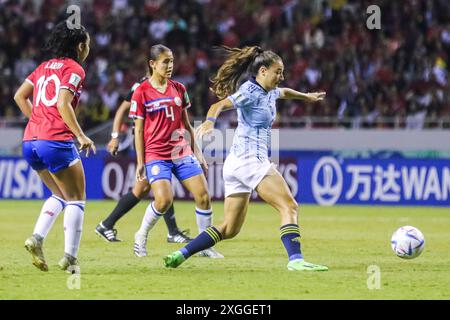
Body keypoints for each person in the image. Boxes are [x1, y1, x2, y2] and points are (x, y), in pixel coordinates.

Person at [164, 46, 328, 271]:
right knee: (289, 205)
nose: (281, 77)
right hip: (251, 161)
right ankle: (296, 260)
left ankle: (181, 253)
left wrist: (306, 97)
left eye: (282, 72)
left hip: (236, 164)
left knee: (230, 228)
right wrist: (210, 122)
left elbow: (285, 92)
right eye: (278, 72)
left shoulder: (270, 90)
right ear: (262, 71)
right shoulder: (249, 91)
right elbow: (219, 104)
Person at [14, 21, 95, 273]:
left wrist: (38, 122)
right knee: (77, 199)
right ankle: (70, 257)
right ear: (80, 46)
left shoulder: (42, 67)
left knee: (59, 194)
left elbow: (19, 96)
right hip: (55, 141)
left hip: (31, 142)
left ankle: (36, 238)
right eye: (87, 44)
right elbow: (63, 103)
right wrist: (80, 135)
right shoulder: (74, 68)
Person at [129, 44, 223, 258]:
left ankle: (204, 246)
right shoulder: (141, 92)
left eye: (171, 61)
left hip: (181, 151)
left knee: (203, 196)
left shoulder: (179, 88)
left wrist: (197, 153)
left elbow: (187, 124)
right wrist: (140, 161)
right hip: (156, 154)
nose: (170, 65)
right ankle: (141, 235)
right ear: (152, 64)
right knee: (163, 200)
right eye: (165, 62)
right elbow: (139, 129)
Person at [95, 73, 193, 243]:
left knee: (142, 190)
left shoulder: (169, 86)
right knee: (161, 185)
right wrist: (115, 136)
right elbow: (121, 111)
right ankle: (173, 232)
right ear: (153, 65)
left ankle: (106, 225)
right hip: (148, 144)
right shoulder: (140, 86)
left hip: (159, 143)